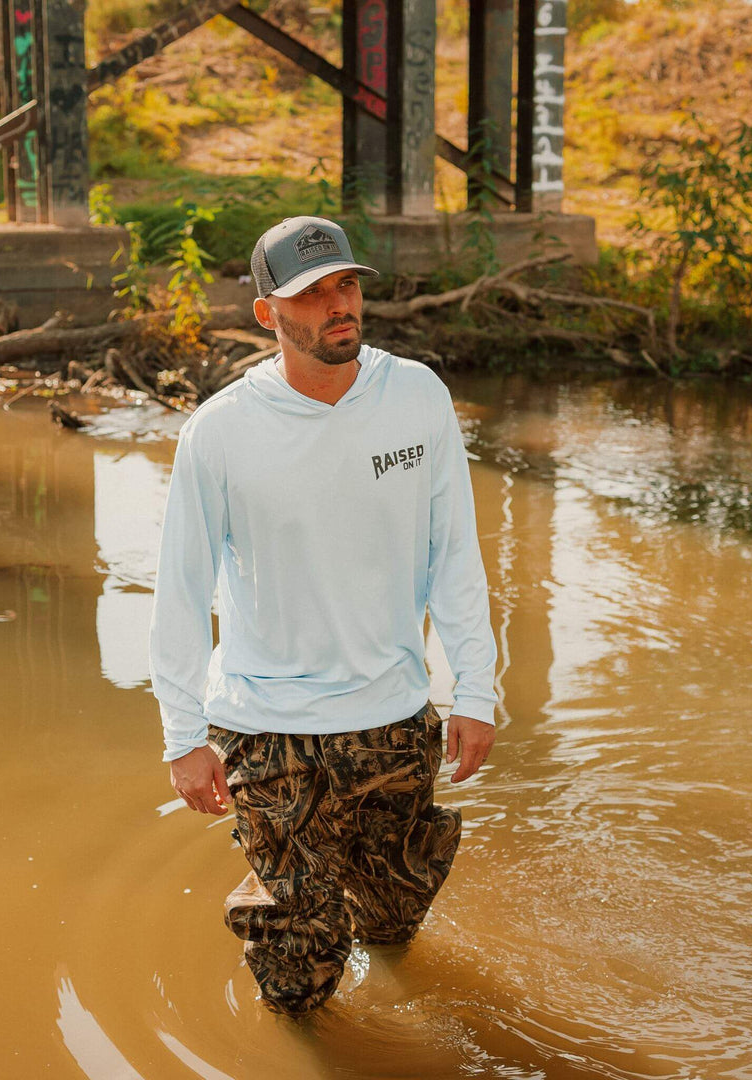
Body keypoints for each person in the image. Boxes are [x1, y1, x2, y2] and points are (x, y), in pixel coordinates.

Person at [148, 215, 497, 1017]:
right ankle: (287, 893)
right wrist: (181, 737)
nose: (339, 305)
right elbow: (179, 590)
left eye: (346, 284)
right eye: (312, 293)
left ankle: (322, 897)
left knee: (396, 920)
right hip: (271, 732)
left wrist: (475, 691)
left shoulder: (416, 397)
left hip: (396, 720)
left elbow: (454, 555)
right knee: (298, 972)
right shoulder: (221, 434)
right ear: (270, 313)